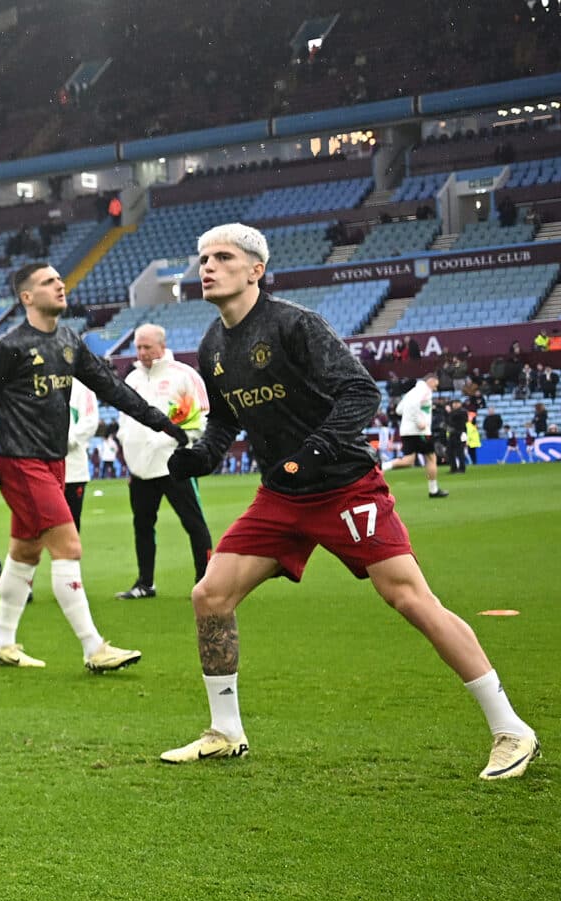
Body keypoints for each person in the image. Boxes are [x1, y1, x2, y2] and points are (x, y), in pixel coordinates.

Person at [160, 223, 537, 778]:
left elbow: (363, 390)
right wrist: (201, 455)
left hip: (344, 486)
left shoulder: (294, 324)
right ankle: (226, 731)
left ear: (256, 270)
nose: (207, 267)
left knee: (409, 598)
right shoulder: (213, 346)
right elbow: (225, 422)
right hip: (281, 496)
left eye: (221, 257)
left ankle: (512, 730)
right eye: (202, 258)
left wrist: (312, 453)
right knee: (210, 596)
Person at [0, 263, 186, 672]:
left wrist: (159, 420)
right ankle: (93, 648)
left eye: (59, 279)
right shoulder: (9, 348)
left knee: (26, 550)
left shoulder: (69, 340)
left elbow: (111, 387)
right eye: (48, 282)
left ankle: (2, 643)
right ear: (27, 297)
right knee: (68, 546)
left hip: (54, 461)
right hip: (21, 459)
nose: (60, 285)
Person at [113, 322, 213, 600]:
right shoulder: (132, 379)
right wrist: (127, 446)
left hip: (174, 464)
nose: (142, 352)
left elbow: (202, 416)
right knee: (142, 525)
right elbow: (124, 420)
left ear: (162, 345)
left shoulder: (184, 375)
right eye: (138, 347)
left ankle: (204, 581)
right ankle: (145, 583)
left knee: (193, 523)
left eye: (147, 346)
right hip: (140, 468)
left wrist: (182, 444)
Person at [386, 372, 449, 498]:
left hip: (406, 431)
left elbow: (399, 409)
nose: (435, 388)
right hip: (420, 432)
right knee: (431, 458)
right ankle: (433, 490)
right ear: (431, 380)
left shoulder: (411, 392)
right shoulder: (424, 390)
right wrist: (418, 421)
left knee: (408, 460)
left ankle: (382, 466)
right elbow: (413, 405)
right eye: (435, 385)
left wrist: (412, 419)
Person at [62, 380, 100, 527]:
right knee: (46, 525)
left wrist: (66, 441)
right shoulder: (41, 381)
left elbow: (90, 422)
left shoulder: (82, 387)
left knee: (72, 522)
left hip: (73, 469)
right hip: (46, 468)